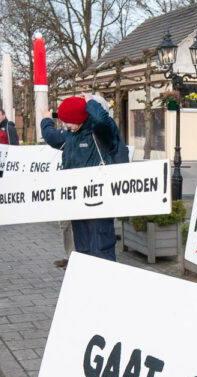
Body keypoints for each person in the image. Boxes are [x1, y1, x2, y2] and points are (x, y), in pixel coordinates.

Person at [41, 93, 123, 264]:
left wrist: (90, 103)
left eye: (68, 121)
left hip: (99, 205)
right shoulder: (71, 135)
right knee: (83, 249)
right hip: (77, 204)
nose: (65, 125)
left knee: (101, 248)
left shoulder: (102, 134)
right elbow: (51, 136)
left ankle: (105, 285)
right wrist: (46, 120)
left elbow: (101, 120)